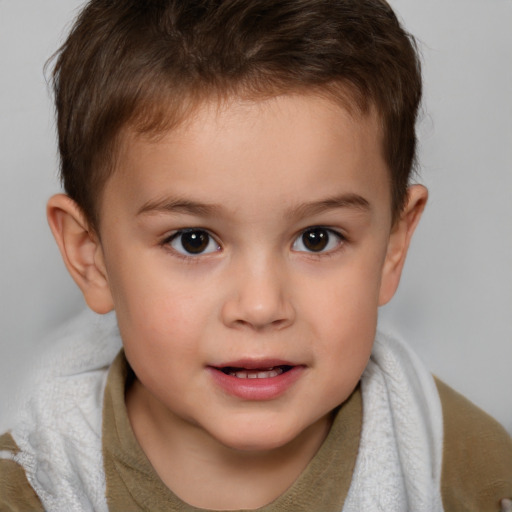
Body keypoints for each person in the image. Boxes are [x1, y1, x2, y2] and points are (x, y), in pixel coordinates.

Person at [1, 0, 511, 510]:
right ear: (91, 257)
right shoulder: (31, 486)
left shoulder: (470, 477)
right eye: (193, 241)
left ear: (392, 247)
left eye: (317, 238)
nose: (262, 306)